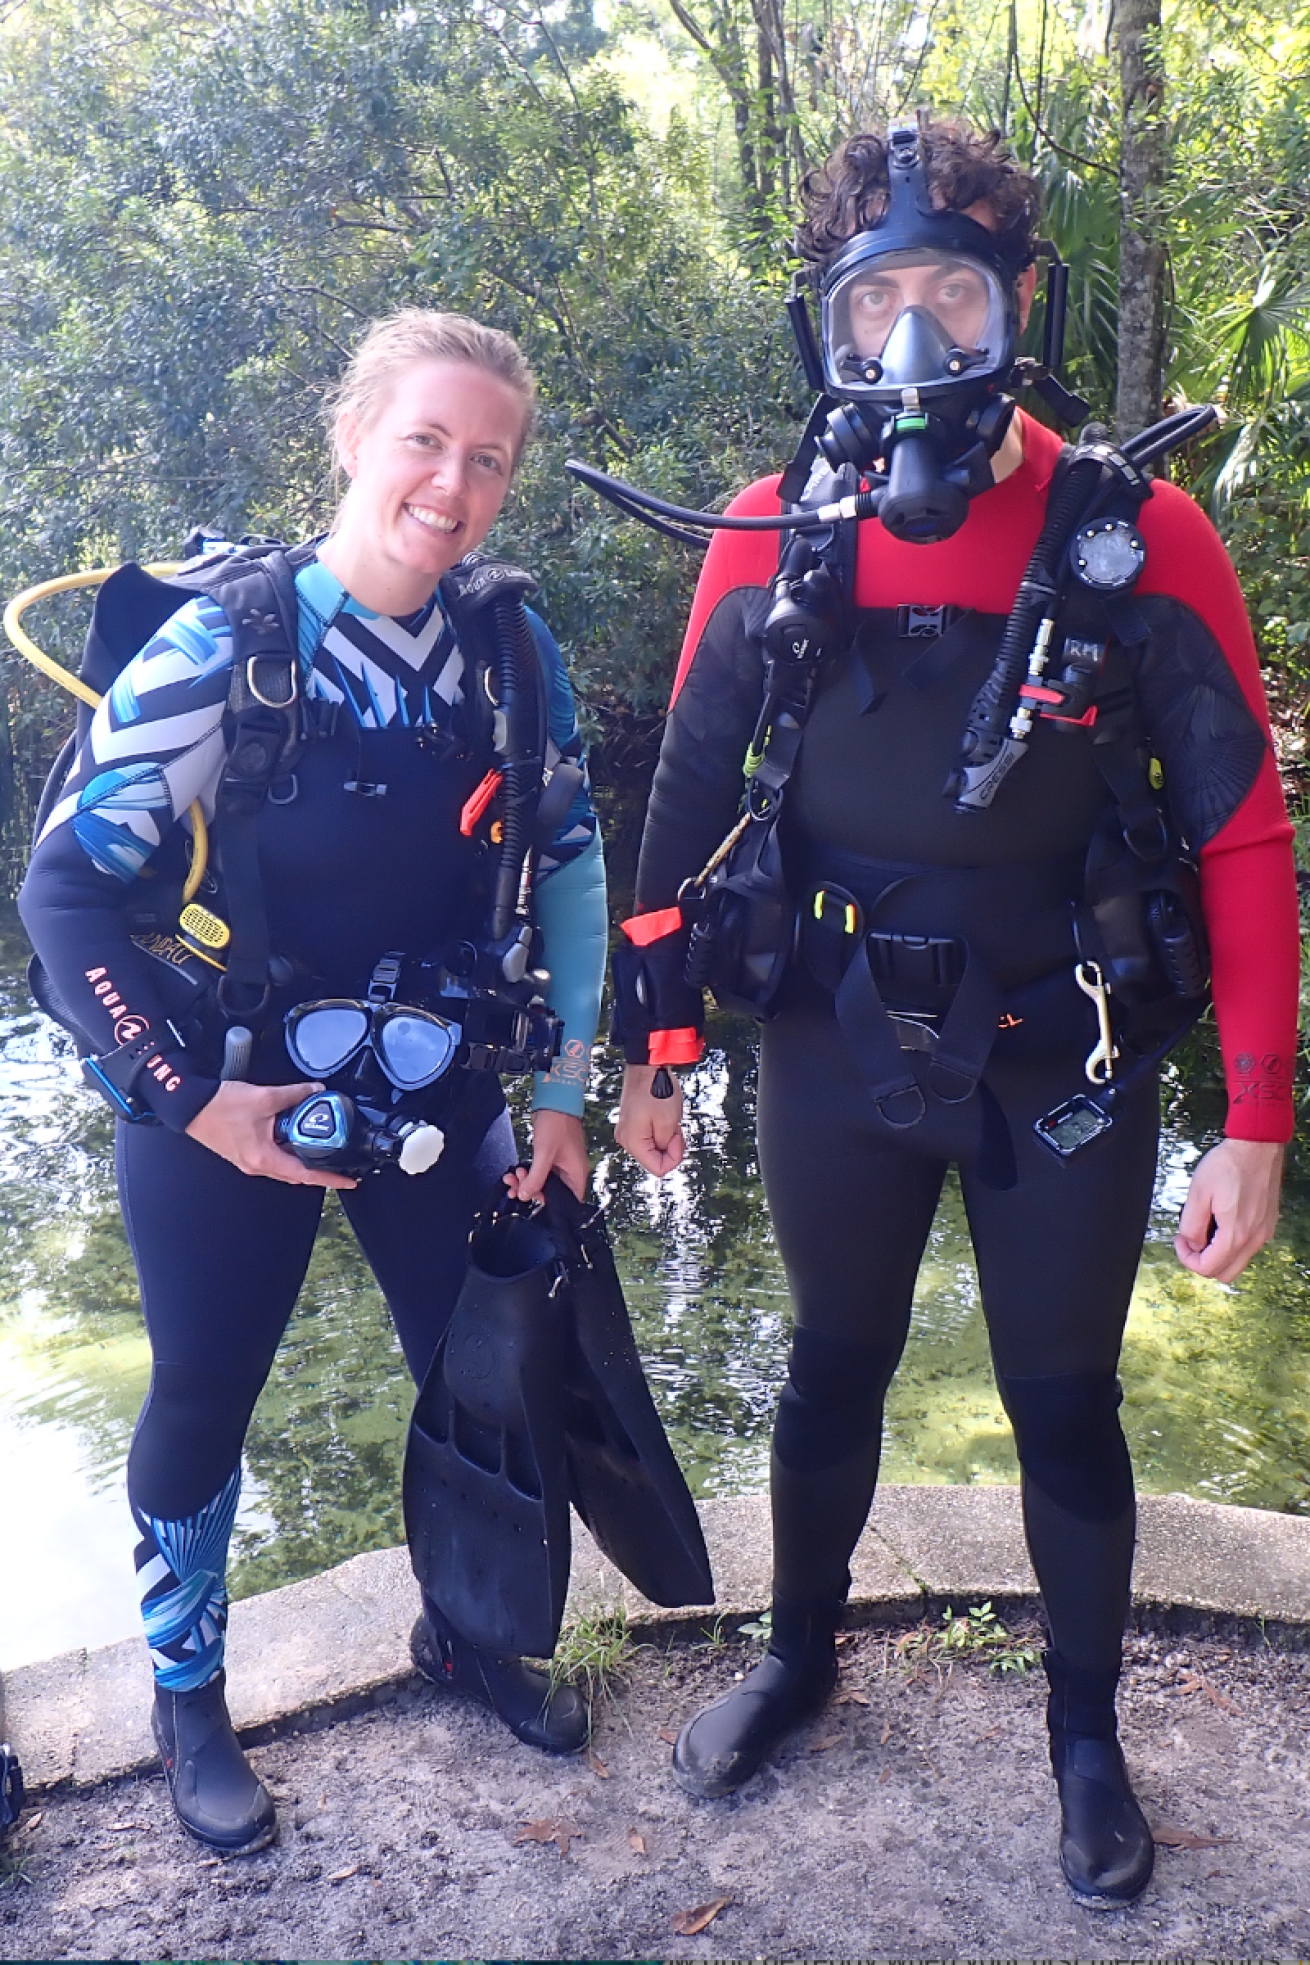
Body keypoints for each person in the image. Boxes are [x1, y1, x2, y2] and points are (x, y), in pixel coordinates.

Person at [612, 120, 1298, 1905]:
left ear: (1019, 305)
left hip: (1060, 1042)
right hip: (832, 1030)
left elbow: (1235, 827)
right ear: (826, 329)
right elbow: (685, 801)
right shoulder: (769, 529)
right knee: (826, 1362)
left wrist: (1253, 1116)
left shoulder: (1138, 538)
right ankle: (797, 1654)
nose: (914, 343)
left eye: (955, 295)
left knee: (1062, 1397)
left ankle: (1083, 1735)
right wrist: (648, 1037)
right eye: (876, 304)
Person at [18, 310, 609, 1853]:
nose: (451, 482)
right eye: (424, 439)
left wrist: (561, 1093)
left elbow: (570, 874)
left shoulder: (507, 643)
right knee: (206, 1395)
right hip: (226, 1095)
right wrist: (186, 1099)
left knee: (475, 1377)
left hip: (442, 1082)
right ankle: (187, 1695)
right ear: (352, 440)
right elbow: (66, 898)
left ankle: (469, 1630)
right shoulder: (228, 641)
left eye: (487, 459)